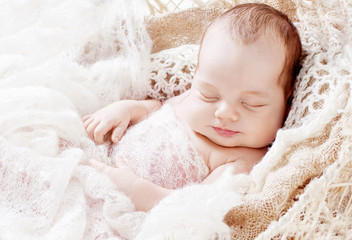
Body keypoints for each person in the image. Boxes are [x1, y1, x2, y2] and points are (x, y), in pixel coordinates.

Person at [82, 3, 302, 212]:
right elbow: (157, 108)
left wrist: (135, 191)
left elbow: (195, 207)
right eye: (209, 94)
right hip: (92, 168)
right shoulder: (191, 98)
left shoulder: (244, 160)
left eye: (251, 104)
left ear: (287, 99)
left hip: (127, 210)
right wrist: (126, 110)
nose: (224, 113)